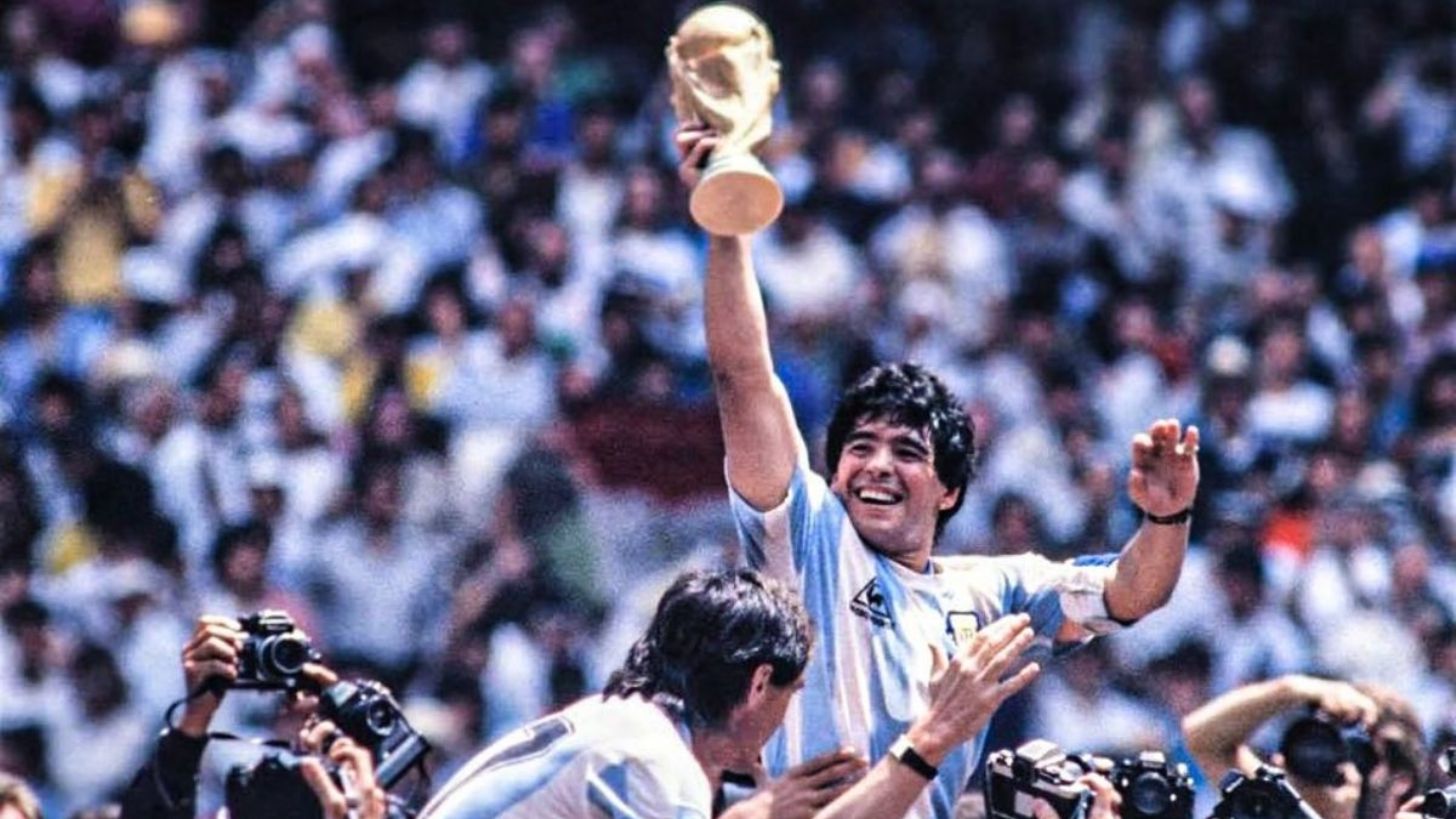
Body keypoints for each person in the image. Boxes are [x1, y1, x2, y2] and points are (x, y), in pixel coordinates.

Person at [677, 123, 1202, 819]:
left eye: (907, 452)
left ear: (950, 489)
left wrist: (1166, 516)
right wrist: (728, 226)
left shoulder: (993, 592)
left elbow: (1131, 593)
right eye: (860, 446)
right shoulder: (809, 539)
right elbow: (743, 378)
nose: (877, 465)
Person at [419, 568, 1043, 818]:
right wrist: (931, 739)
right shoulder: (653, 761)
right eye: (792, 693)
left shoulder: (626, 724)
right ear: (759, 684)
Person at [1182, 674, 1426, 819]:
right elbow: (1205, 741)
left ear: (1401, 780)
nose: (1338, 760)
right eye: (1332, 742)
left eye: (1360, 751)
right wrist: (1298, 690)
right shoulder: (1284, 804)